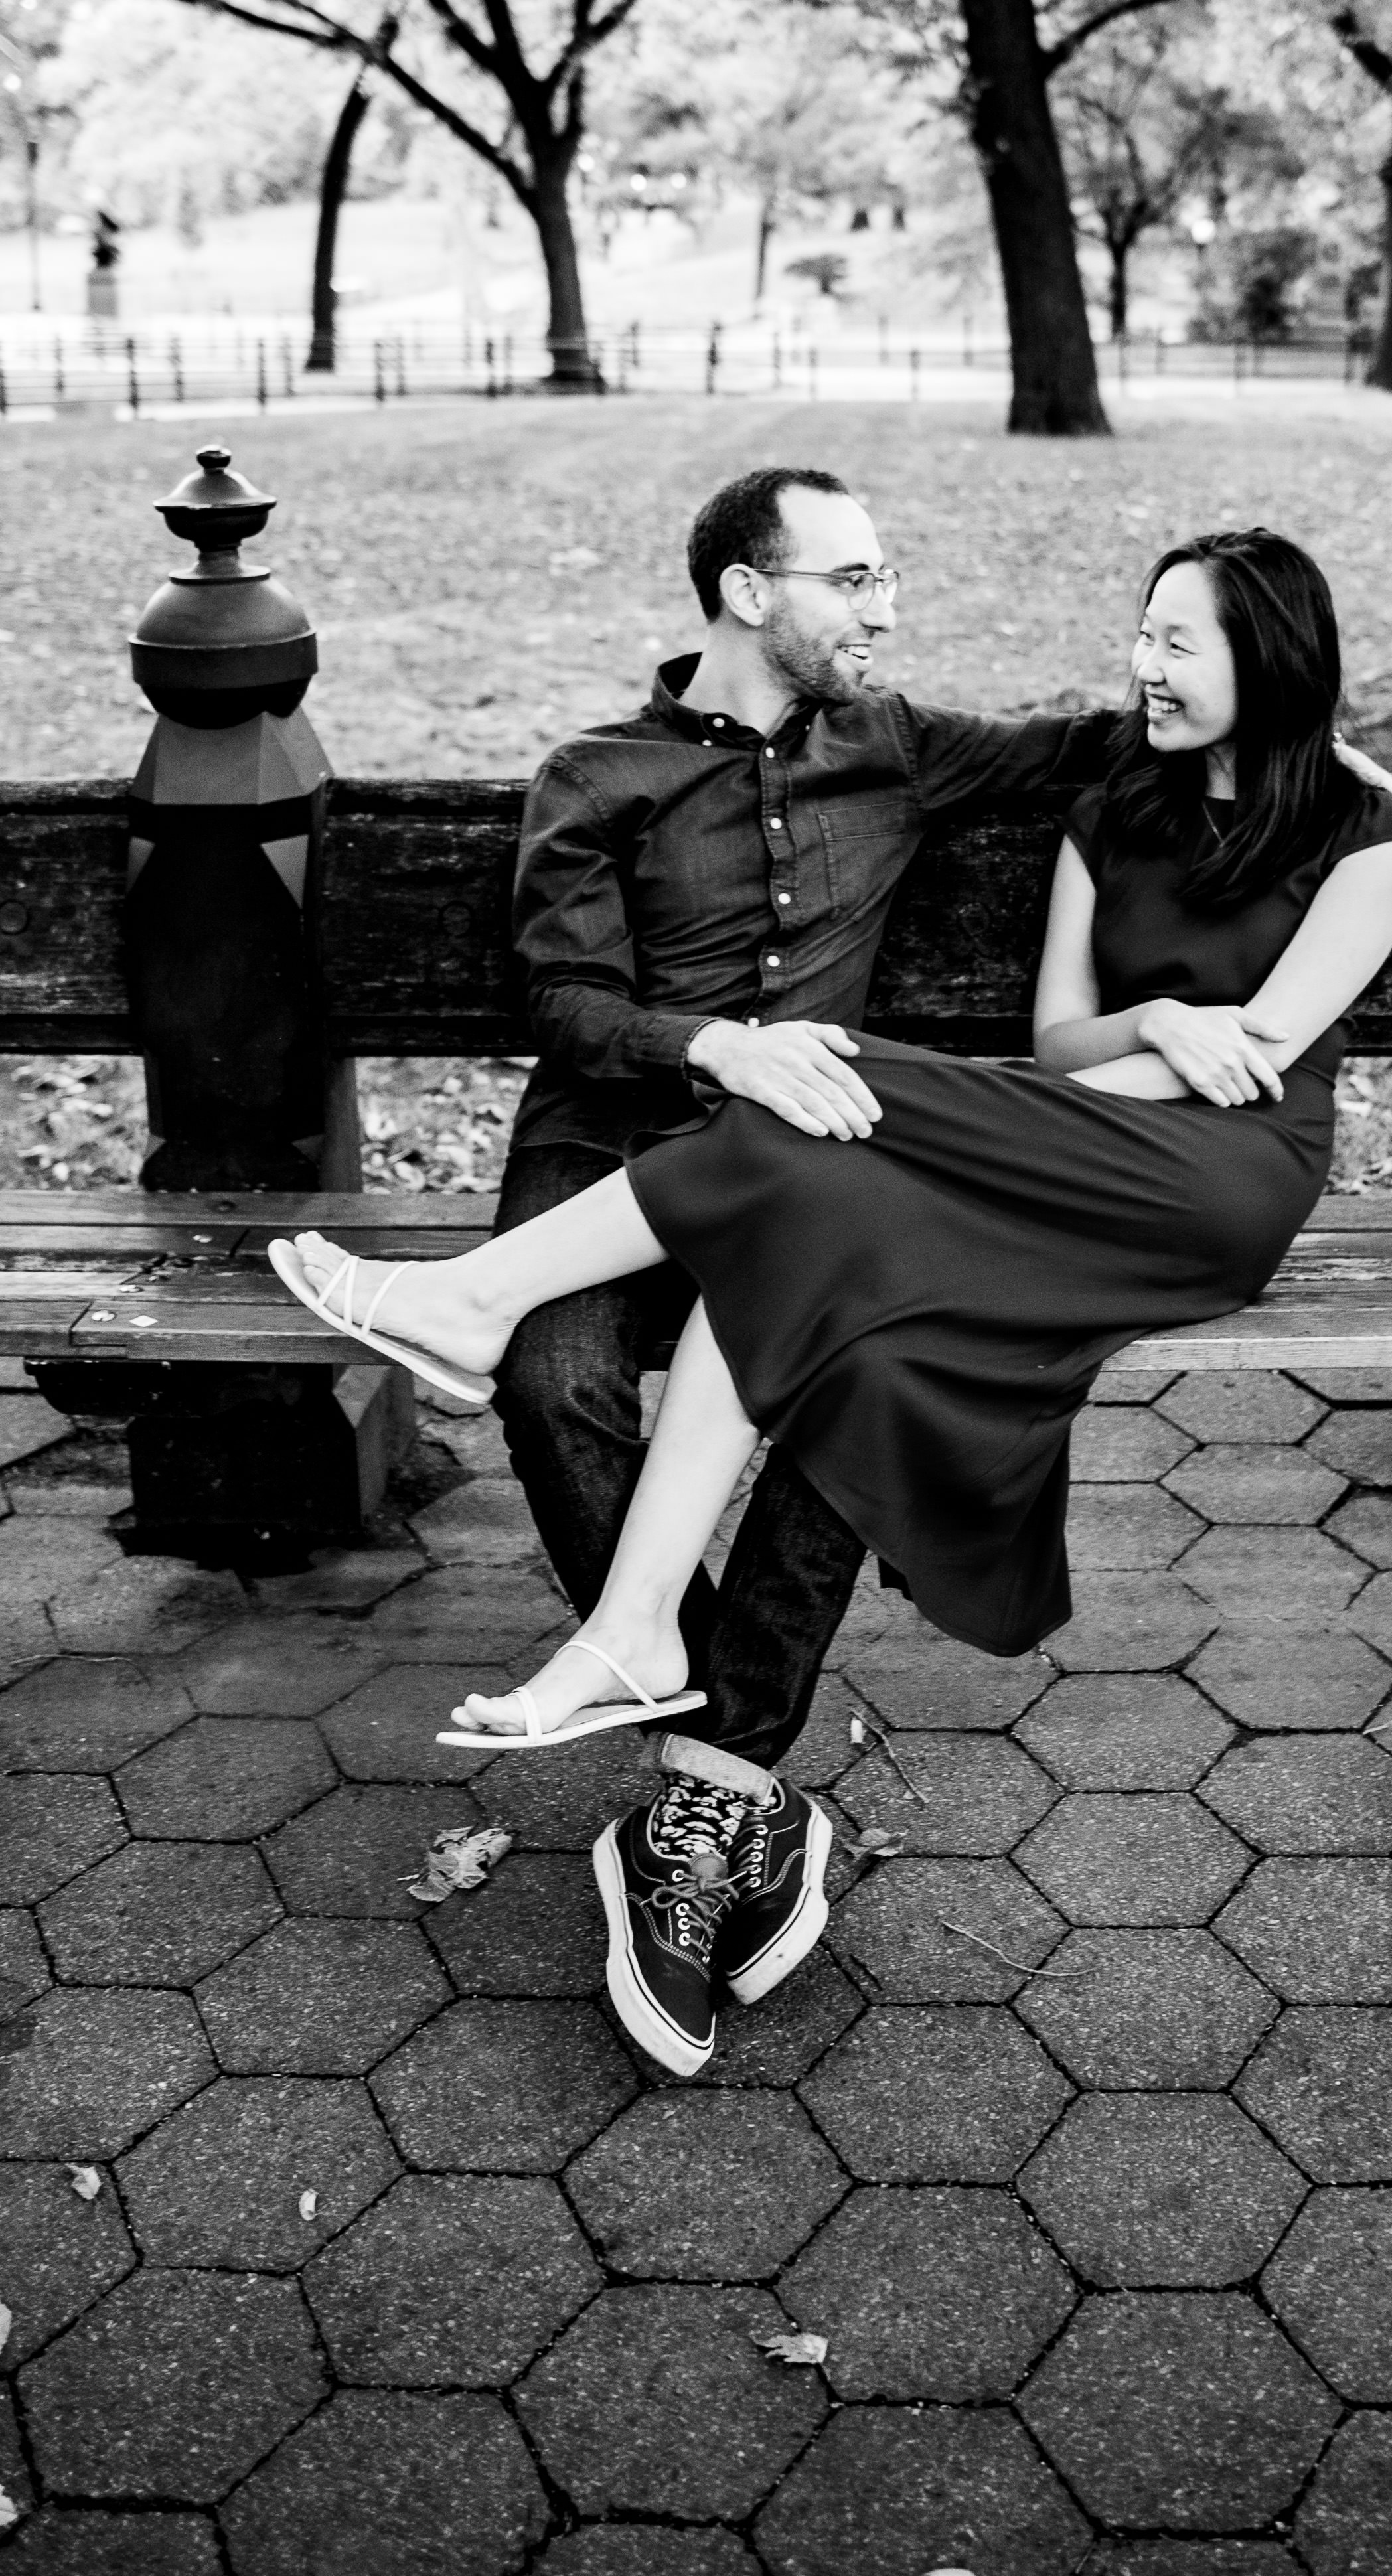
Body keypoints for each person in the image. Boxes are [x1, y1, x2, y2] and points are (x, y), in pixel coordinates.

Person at [277, 522, 1392, 2074]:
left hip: (1188, 1178)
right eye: (1138, 635)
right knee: (764, 1276)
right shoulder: (627, 776)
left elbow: (1254, 1056)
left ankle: (501, 1371)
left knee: (827, 1114)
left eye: (1178, 642)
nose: (1141, 666)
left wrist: (1114, 1060)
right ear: (750, 591)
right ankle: (655, 1665)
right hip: (833, 1133)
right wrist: (1147, 1016)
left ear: (1263, 660)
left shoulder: (1353, 822)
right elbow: (1059, 1036)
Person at [357, 465, 1114, 2074]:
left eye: (885, 575)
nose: (885, 609)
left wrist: (1276, 714)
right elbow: (564, 1006)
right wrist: (720, 1045)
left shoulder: (894, 742)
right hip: (606, 1156)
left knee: (861, 1385)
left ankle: (707, 1782)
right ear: (747, 592)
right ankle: (733, 1767)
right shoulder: (596, 773)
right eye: (851, 578)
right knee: (554, 1378)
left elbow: (1099, 748)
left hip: (805, 1182)